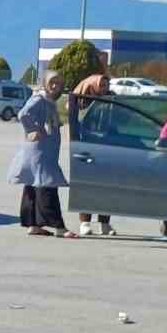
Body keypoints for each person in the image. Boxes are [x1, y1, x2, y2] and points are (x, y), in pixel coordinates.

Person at [8, 74, 75, 238]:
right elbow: (23, 114)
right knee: (47, 186)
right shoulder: (39, 99)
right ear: (45, 83)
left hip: (42, 151)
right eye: (52, 82)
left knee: (32, 185)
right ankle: (59, 227)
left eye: (58, 83)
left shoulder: (48, 101)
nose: (55, 86)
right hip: (40, 152)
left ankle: (33, 225)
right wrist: (32, 130)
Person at [71, 73, 115, 236]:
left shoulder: (112, 99)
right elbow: (76, 120)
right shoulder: (82, 100)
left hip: (108, 146)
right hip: (87, 146)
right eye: (101, 85)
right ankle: (85, 222)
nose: (105, 88)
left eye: (106, 85)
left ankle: (105, 223)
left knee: (107, 186)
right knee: (88, 185)